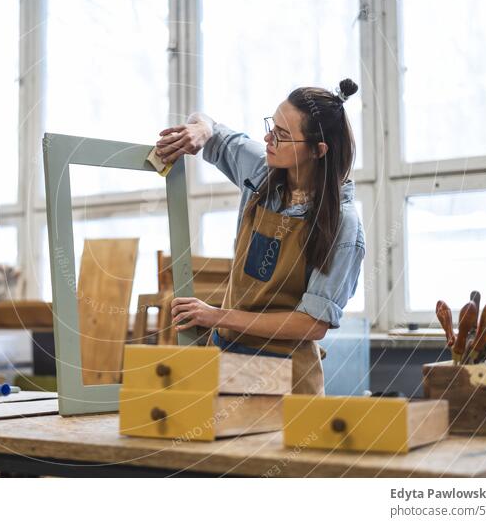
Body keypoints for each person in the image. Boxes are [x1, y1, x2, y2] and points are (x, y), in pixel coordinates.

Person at [154, 79, 365, 395]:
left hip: (290, 382)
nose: (268, 138)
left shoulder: (343, 226)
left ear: (318, 150)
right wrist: (199, 130)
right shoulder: (261, 169)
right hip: (230, 365)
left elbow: (312, 324)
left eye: (282, 135)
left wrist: (219, 316)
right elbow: (208, 124)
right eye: (272, 126)